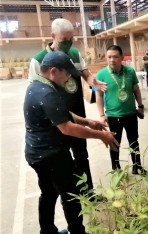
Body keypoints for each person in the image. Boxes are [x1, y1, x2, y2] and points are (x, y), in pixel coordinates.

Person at [24, 51, 119, 234]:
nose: (69, 78)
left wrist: (88, 121)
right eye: (67, 74)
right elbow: (67, 127)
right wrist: (100, 135)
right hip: (52, 156)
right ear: (53, 71)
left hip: (35, 154)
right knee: (71, 196)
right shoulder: (48, 93)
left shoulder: (37, 86)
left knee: (48, 194)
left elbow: (62, 114)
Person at [28, 18, 107, 193]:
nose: (68, 43)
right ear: (53, 36)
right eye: (64, 40)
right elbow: (35, 91)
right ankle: (73, 195)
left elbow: (86, 75)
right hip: (57, 119)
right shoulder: (38, 60)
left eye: (71, 39)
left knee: (82, 155)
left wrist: (95, 83)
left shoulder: (74, 54)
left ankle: (89, 192)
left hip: (77, 112)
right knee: (63, 159)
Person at [96, 45, 147, 175]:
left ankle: (137, 167)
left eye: (115, 57)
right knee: (114, 143)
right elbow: (99, 96)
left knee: (134, 141)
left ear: (122, 58)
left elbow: (136, 89)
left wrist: (140, 106)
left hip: (130, 114)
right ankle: (116, 169)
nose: (112, 60)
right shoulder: (102, 74)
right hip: (113, 116)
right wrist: (102, 115)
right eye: (109, 57)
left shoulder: (129, 71)